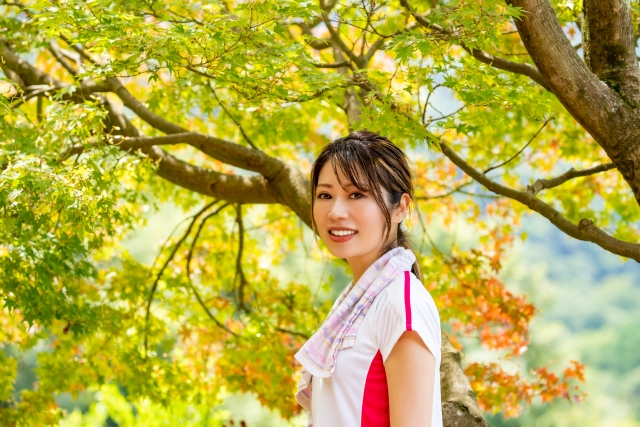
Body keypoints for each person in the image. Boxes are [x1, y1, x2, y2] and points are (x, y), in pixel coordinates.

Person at [294, 130, 443, 427]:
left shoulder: (401, 305)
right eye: (325, 195)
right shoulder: (352, 304)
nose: (335, 212)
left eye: (357, 195)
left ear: (400, 208)